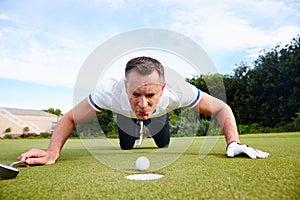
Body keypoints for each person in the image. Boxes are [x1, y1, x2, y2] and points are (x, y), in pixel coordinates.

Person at [18, 56, 269, 166]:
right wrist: (52, 153)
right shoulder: (109, 91)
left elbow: (222, 108)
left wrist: (233, 142)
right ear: (125, 85)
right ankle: (131, 125)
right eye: (135, 94)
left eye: (150, 95)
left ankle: (155, 123)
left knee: (163, 144)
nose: (143, 103)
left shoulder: (178, 89)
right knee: (126, 146)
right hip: (124, 118)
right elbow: (70, 117)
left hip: (160, 119)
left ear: (163, 88)